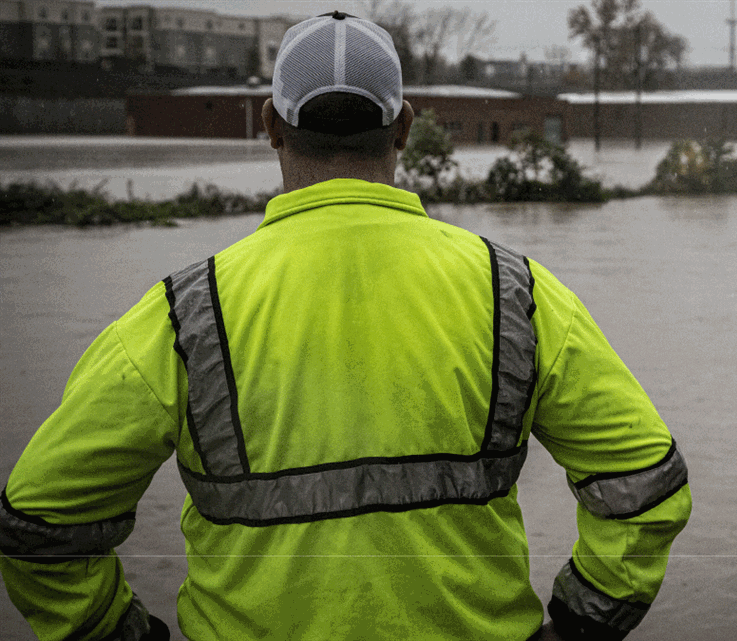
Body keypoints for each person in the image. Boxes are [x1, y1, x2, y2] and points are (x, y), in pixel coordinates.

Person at [0, 11, 691, 641]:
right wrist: (576, 626)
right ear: (404, 126)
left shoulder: (185, 315)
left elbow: (37, 524)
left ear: (271, 125)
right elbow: (644, 486)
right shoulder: (518, 295)